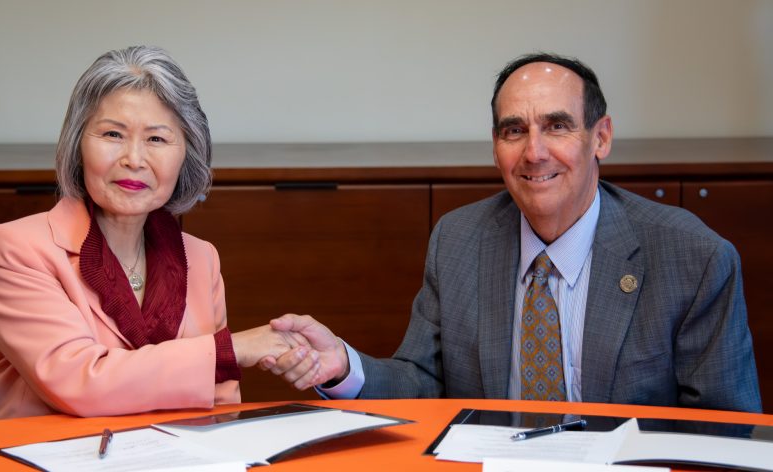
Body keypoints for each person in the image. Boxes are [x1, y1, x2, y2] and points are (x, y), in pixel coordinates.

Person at [262, 52, 762, 412]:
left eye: (558, 126)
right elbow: (423, 383)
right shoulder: (459, 240)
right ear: (496, 146)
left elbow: (725, 430)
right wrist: (345, 366)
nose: (534, 152)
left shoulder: (691, 257)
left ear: (601, 137)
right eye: (514, 130)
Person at [0, 46, 304, 419]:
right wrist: (231, 350)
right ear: (78, 146)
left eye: (156, 139)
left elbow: (221, 405)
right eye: (113, 134)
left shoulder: (202, 258)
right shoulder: (13, 249)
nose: (134, 159)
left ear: (186, 157)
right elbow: (78, 382)